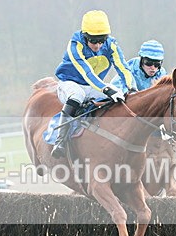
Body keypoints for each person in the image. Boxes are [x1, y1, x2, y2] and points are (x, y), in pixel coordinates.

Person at [51, 10, 135, 158]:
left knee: (120, 95)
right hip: (70, 83)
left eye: (101, 40)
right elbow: (87, 73)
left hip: (93, 86)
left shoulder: (111, 45)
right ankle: (60, 140)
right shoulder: (75, 45)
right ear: (85, 36)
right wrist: (106, 88)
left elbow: (123, 68)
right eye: (93, 41)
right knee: (78, 95)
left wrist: (131, 87)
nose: (98, 45)